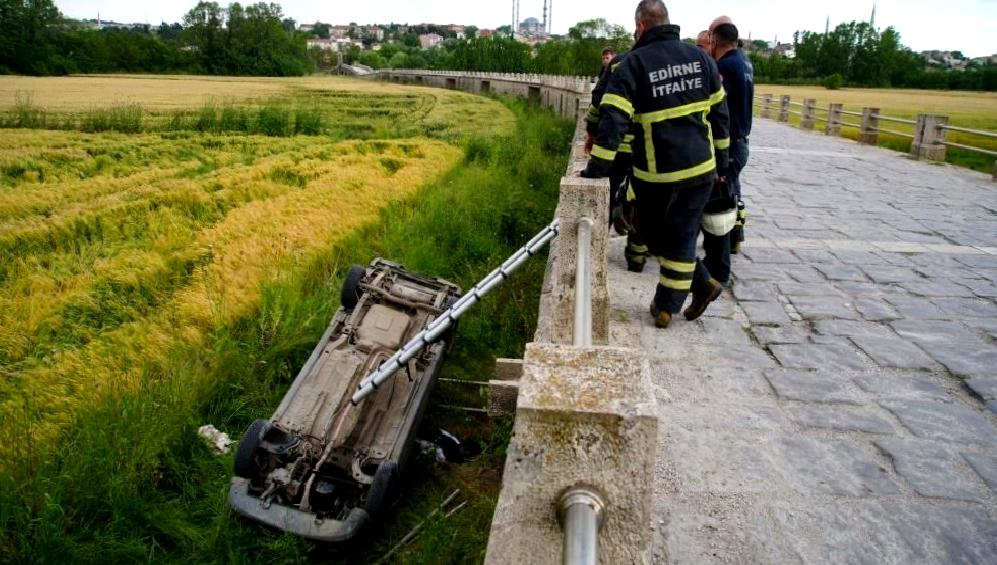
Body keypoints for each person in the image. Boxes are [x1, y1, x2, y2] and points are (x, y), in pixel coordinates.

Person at [582, 0, 730, 329]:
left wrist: (596, 170)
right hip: (701, 169)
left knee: (648, 229)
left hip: (657, 174)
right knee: (682, 234)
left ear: (641, 26)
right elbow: (721, 116)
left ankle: (686, 293)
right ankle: (675, 301)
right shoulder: (701, 59)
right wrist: (722, 165)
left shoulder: (632, 64)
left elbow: (613, 122)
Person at [711, 22, 753, 254]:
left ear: (715, 41)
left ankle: (725, 243)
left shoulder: (725, 66)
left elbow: (717, 105)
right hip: (741, 140)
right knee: (733, 191)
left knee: (726, 194)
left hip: (730, 141)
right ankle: (735, 237)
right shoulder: (745, 61)